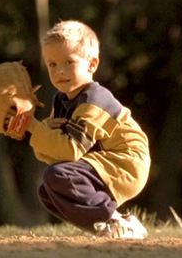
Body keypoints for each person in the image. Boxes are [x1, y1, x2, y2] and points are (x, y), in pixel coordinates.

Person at [21, 20, 151, 239]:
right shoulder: (62, 100)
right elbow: (52, 153)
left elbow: (69, 151)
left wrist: (33, 126)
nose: (59, 71)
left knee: (58, 176)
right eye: (52, 64)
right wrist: (38, 128)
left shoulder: (94, 100)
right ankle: (110, 227)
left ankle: (116, 222)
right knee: (48, 191)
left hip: (127, 161)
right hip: (104, 159)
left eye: (68, 62)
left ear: (92, 64)